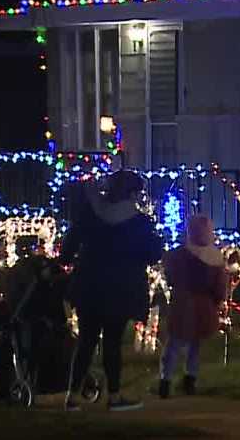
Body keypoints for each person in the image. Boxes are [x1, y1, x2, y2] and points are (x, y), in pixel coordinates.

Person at [61, 171, 162, 412]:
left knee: (86, 340)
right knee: (113, 342)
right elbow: (152, 255)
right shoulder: (139, 222)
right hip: (121, 288)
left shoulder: (89, 214)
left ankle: (72, 396)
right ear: (132, 193)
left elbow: (67, 250)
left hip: (89, 286)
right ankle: (114, 396)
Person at [158, 214, 227, 399]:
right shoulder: (215, 258)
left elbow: (170, 275)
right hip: (204, 306)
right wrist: (218, 300)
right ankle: (190, 379)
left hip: (182, 303)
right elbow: (220, 286)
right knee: (195, 344)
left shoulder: (179, 254)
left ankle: (165, 380)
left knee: (174, 343)